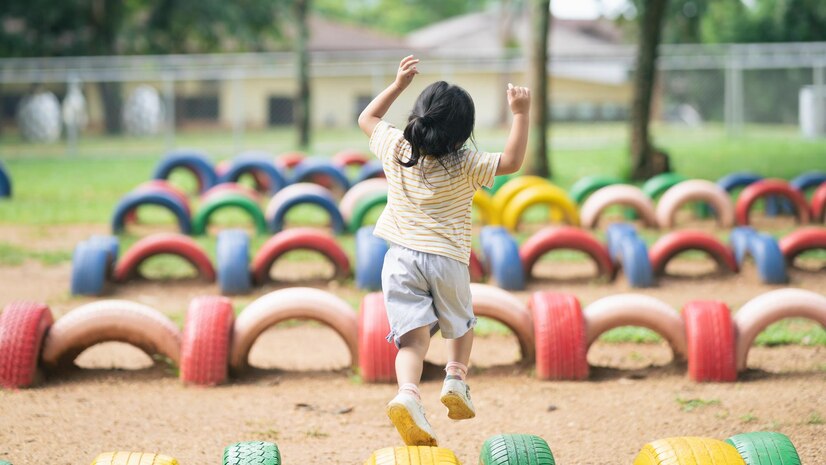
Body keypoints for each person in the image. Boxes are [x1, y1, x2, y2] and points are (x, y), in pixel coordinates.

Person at [357, 55, 531, 446]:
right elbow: (514, 160)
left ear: (417, 117)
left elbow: (366, 118)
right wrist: (520, 113)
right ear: (462, 133)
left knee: (412, 342)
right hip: (447, 260)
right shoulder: (467, 163)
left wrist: (398, 84)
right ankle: (455, 378)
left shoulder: (395, 148)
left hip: (399, 259)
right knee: (462, 325)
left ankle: (407, 395)